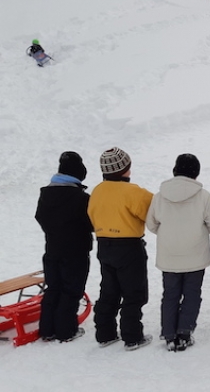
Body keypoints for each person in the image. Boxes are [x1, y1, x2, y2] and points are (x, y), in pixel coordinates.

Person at [146, 154, 210, 352]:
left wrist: (167, 233)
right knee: (192, 294)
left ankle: (169, 334)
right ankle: (184, 332)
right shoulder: (206, 197)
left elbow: (151, 223)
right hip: (196, 255)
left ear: (175, 170)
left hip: (168, 255)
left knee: (170, 294)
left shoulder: (159, 196)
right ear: (196, 172)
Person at [87, 147, 154, 351]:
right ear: (126, 169)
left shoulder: (97, 191)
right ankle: (132, 336)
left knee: (109, 290)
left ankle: (105, 333)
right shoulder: (134, 192)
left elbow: (91, 216)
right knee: (134, 292)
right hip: (129, 247)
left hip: (104, 245)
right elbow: (151, 214)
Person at [35, 151, 93, 343]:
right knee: (71, 290)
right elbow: (91, 222)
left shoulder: (46, 193)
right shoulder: (80, 197)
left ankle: (47, 329)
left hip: (52, 249)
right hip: (75, 252)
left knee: (53, 288)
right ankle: (66, 330)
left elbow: (40, 217)